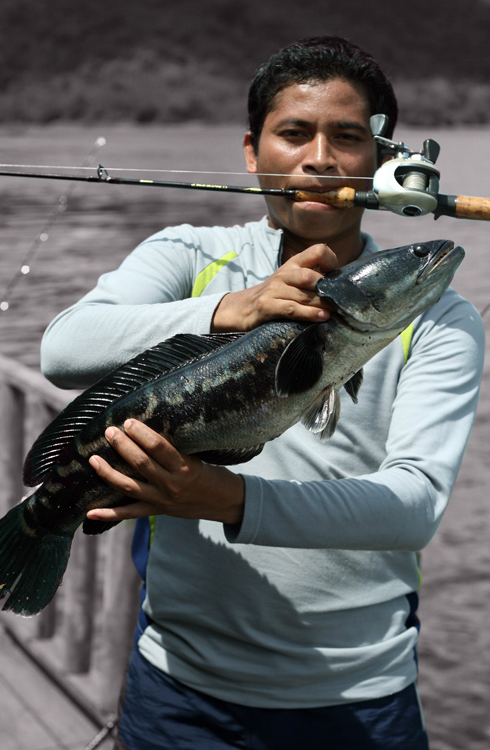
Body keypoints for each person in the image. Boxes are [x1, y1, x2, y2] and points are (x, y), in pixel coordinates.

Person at [41, 37, 484, 750]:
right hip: (180, 689)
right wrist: (230, 309)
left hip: (362, 698)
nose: (319, 159)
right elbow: (64, 348)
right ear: (253, 152)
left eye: (347, 137)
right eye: (293, 133)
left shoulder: (436, 314)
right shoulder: (190, 254)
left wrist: (225, 500)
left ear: (379, 159)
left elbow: (416, 505)